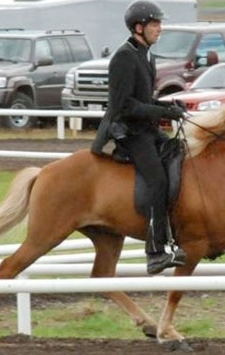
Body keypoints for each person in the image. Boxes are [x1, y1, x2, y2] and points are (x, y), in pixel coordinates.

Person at [91, 0, 187, 275]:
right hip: (127, 132)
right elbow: (123, 106)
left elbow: (144, 99)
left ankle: (176, 233)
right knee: (157, 180)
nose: (160, 29)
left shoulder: (147, 55)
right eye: (156, 24)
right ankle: (155, 251)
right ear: (138, 27)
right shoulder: (124, 57)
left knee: (178, 156)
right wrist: (161, 110)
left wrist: (169, 107)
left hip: (144, 128)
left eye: (159, 24)